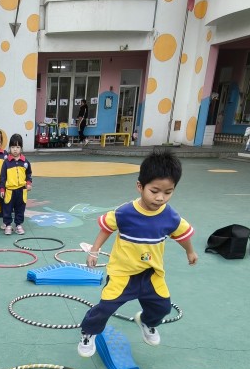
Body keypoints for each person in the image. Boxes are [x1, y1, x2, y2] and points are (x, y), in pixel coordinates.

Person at [77, 149, 197, 357]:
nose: (160, 198)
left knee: (163, 307)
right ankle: (89, 332)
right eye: (154, 191)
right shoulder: (125, 212)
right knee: (105, 307)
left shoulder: (170, 216)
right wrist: (94, 251)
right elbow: (107, 228)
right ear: (140, 186)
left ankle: (147, 321)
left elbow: (182, 234)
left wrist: (190, 252)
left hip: (152, 273)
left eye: (168, 192)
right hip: (122, 273)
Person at [0, 133, 32, 236]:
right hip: (9, 191)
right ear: (10, 148)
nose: (15, 150)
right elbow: (2, 177)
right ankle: (8, 225)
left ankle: (18, 225)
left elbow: (29, 174)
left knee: (20, 208)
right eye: (13, 147)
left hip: (21, 190)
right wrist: (2, 189)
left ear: (21, 148)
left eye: (17, 147)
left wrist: (28, 183)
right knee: (7, 208)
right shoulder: (6, 162)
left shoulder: (25, 162)